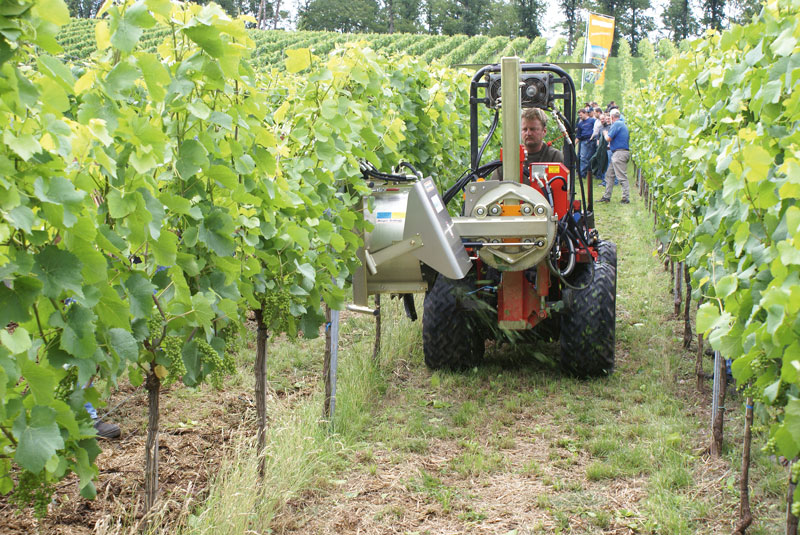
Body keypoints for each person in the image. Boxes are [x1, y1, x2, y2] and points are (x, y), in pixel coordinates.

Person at [491, 108, 562, 180]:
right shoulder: (510, 159)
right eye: (525, 129)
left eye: (533, 129)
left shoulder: (555, 157)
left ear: (544, 131)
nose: (528, 133)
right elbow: (494, 185)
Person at [598, 109, 630, 204]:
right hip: (619, 153)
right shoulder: (622, 124)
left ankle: (625, 198)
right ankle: (606, 196)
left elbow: (608, 138)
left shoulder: (616, 124)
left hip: (619, 154)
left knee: (621, 176)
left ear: (612, 117)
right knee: (609, 175)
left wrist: (605, 134)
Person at [575, 108, 595, 179]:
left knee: (590, 158)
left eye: (581, 115)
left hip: (591, 141)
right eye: (579, 115)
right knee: (583, 158)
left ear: (585, 113)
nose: (580, 117)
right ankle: (582, 174)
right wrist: (574, 144)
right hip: (583, 142)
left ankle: (590, 172)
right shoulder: (580, 124)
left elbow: (596, 130)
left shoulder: (592, 121)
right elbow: (578, 135)